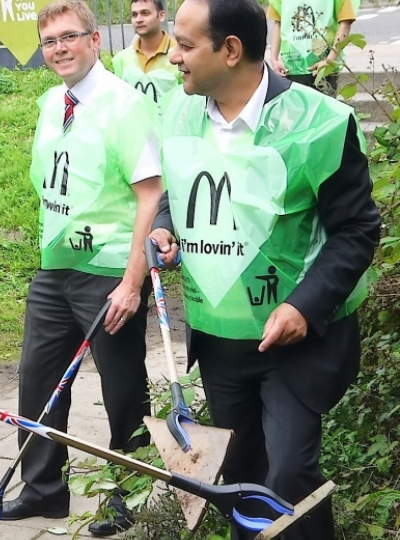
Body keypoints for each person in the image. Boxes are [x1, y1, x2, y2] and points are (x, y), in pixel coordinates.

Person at [149, 0, 380, 538]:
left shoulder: (321, 124)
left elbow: (356, 230)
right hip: (220, 334)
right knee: (243, 472)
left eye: (184, 45)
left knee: (291, 472)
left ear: (230, 50)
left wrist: (304, 304)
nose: (173, 58)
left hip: (294, 342)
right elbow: (177, 191)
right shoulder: (179, 113)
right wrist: (165, 227)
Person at [0, 0, 162, 536]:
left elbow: (149, 195)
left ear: (94, 40)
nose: (58, 49)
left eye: (68, 37)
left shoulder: (124, 105)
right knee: (37, 378)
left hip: (108, 271)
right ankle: (43, 490)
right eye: (49, 41)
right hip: (55, 267)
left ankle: (126, 494)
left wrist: (133, 282)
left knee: (122, 387)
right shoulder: (49, 103)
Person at [268, 0, 357, 93]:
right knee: (296, 106)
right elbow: (278, 21)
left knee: (324, 106)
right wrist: (274, 59)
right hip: (292, 66)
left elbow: (345, 21)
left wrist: (329, 60)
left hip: (322, 68)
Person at [111, 0, 180, 105]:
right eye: (134, 15)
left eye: (145, 13)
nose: (138, 19)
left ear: (161, 16)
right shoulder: (121, 59)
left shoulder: (180, 55)